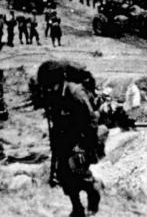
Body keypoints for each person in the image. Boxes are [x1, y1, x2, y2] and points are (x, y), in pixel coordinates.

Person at [35, 61, 102, 217]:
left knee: (81, 175)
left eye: (52, 86)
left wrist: (85, 147)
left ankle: (94, 192)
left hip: (81, 141)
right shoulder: (52, 93)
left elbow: (91, 121)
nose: (49, 90)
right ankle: (77, 209)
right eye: (47, 87)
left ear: (60, 81)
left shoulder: (76, 94)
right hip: (63, 142)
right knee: (65, 178)